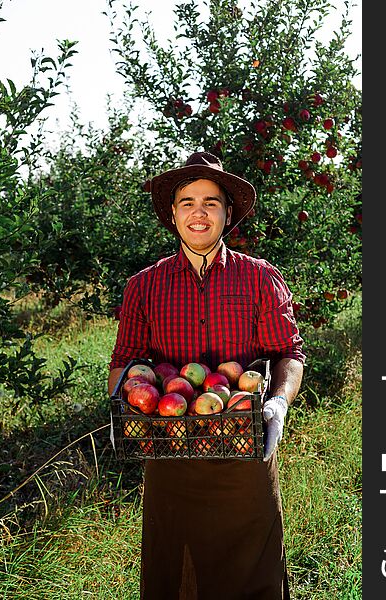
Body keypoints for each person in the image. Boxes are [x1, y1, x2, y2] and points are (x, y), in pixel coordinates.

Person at [108, 151, 305, 600]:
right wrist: (123, 408)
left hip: (243, 448)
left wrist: (278, 403)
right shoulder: (145, 285)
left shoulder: (259, 278)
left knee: (252, 571)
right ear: (173, 214)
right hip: (171, 451)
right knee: (177, 573)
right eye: (188, 202)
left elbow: (288, 352)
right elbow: (125, 359)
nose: (199, 212)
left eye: (211, 202)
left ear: (226, 213)